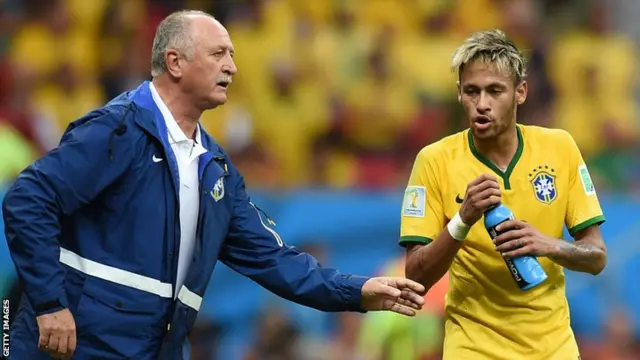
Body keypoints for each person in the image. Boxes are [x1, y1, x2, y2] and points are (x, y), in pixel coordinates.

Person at [3, 10, 426, 360]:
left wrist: (358, 290)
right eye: (218, 53)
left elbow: (275, 259)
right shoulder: (117, 130)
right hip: (75, 348)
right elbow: (26, 200)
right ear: (175, 62)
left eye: (233, 55)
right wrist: (49, 303)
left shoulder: (216, 171)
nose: (232, 66)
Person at [400, 29, 607, 360]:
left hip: (552, 348)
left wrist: (548, 245)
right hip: (473, 347)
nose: (482, 104)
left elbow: (597, 256)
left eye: (495, 91)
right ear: (459, 94)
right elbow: (416, 275)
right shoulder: (434, 160)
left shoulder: (559, 147)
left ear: (520, 92)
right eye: (472, 92)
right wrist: (463, 219)